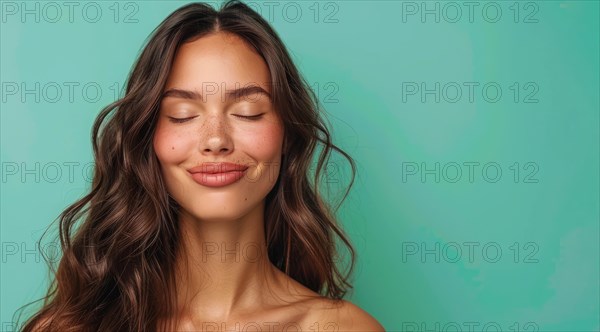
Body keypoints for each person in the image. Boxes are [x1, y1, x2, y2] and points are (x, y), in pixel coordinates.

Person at [19, 1, 385, 331]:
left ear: (287, 134)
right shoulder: (72, 327)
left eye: (248, 112)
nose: (215, 139)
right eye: (182, 115)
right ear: (148, 140)